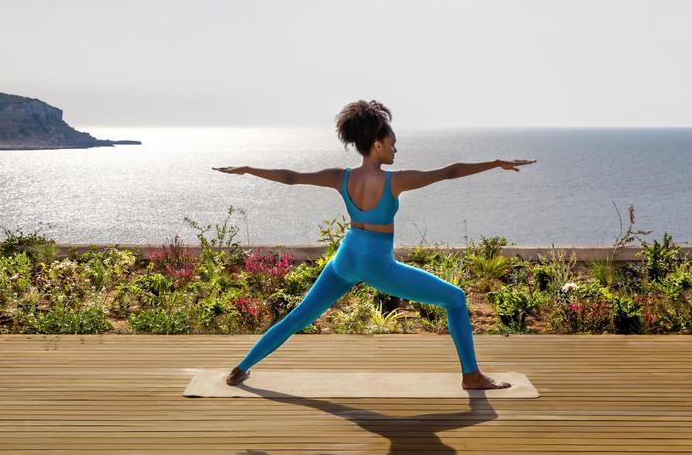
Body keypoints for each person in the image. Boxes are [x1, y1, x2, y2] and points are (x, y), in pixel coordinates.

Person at [213, 99, 536, 391]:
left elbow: (291, 177)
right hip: (376, 264)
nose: (396, 151)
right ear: (377, 144)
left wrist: (249, 169)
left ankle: (240, 370)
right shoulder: (394, 180)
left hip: (346, 257)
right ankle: (472, 376)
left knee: (298, 316)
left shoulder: (339, 177)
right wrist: (495, 162)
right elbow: (449, 172)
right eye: (393, 145)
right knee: (455, 298)